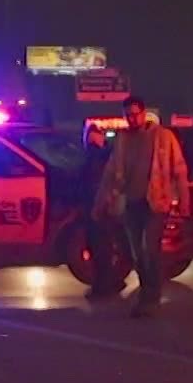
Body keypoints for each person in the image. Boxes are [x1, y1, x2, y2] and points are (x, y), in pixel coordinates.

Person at [94, 97, 189, 317]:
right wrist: (101, 202)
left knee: (149, 248)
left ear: (144, 113)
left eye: (136, 114)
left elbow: (179, 170)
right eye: (128, 115)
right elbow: (110, 175)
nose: (132, 118)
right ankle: (146, 291)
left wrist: (184, 200)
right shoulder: (123, 140)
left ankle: (151, 296)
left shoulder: (163, 137)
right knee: (137, 252)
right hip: (131, 202)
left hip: (156, 202)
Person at [78, 124, 120, 298]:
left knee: (99, 247)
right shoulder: (105, 154)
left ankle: (104, 286)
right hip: (104, 207)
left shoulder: (94, 156)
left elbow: (91, 182)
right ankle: (110, 282)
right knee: (104, 247)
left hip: (97, 207)